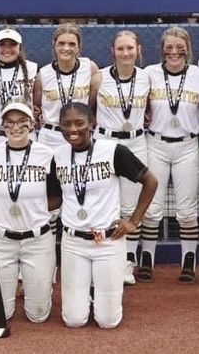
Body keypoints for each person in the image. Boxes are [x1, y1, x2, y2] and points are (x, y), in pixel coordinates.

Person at [51, 102, 157, 329]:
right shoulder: (57, 156)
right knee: (74, 320)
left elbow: (150, 181)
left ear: (92, 123)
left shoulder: (113, 151)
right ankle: (88, 290)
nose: (73, 129)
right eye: (66, 124)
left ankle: (98, 290)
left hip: (109, 240)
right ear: (59, 126)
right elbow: (53, 199)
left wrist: (133, 221)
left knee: (108, 322)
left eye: (79, 123)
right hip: (73, 242)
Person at [0, 100, 56, 322]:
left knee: (38, 315)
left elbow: (56, 196)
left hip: (37, 239)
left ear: (31, 125)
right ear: (3, 127)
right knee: (1, 314)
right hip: (2, 239)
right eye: (9, 123)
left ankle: (42, 291)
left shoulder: (46, 154)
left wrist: (32, 210)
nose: (15, 127)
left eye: (22, 122)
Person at [139, 27, 199, 283]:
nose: (174, 51)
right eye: (169, 47)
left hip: (188, 144)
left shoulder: (197, 74)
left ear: (188, 48)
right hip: (156, 143)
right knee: (152, 209)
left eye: (180, 46)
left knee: (186, 210)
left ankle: (189, 262)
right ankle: (147, 260)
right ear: (162, 49)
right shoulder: (150, 74)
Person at [91, 31, 151, 286]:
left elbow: (151, 108)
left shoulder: (147, 77)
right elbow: (89, 108)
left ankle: (127, 261)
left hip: (136, 140)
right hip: (105, 141)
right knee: (102, 200)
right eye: (120, 49)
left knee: (129, 205)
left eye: (130, 48)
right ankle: (101, 256)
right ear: (112, 51)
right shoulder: (99, 77)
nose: (125, 53)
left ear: (138, 49)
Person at [34, 24, 99, 149]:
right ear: (54, 45)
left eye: (72, 44)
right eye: (61, 43)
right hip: (51, 136)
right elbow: (36, 107)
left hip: (79, 134)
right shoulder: (43, 74)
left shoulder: (89, 68)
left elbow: (93, 100)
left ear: (79, 47)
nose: (66, 48)